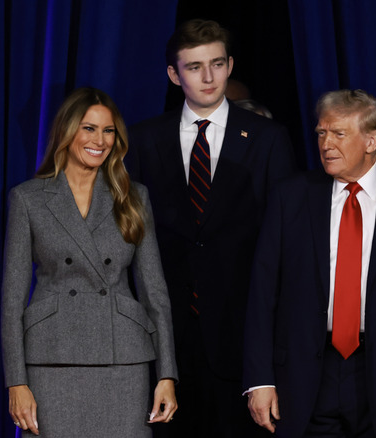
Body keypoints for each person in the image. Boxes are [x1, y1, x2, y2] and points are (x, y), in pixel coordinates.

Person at [243, 89, 376, 437]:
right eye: (320, 133)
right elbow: (262, 294)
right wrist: (259, 380)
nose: (326, 143)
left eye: (338, 134)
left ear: (371, 140)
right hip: (308, 376)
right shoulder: (290, 197)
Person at [126, 19, 296, 437]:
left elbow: (285, 241)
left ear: (230, 65)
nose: (207, 77)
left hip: (243, 338)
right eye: (194, 66)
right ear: (173, 74)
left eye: (217, 64)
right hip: (167, 340)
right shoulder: (144, 139)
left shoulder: (268, 138)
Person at [1, 87, 178, 437]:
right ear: (67, 132)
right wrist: (15, 382)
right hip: (52, 359)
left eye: (108, 130)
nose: (100, 140)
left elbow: (155, 292)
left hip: (123, 360)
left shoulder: (133, 196)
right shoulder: (28, 199)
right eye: (89, 128)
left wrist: (167, 374)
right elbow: (11, 300)